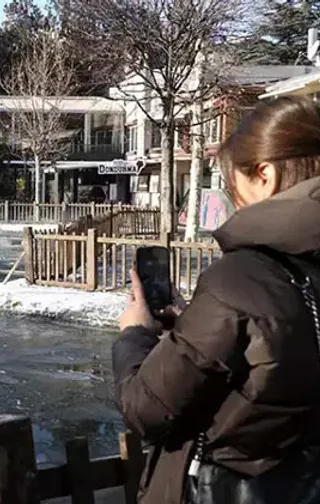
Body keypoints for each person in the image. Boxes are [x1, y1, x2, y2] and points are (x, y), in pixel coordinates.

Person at [112, 96, 320, 504]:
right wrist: (193, 327)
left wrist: (135, 333)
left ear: (265, 175)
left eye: (231, 184)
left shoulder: (240, 278)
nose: (232, 199)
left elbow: (147, 409)